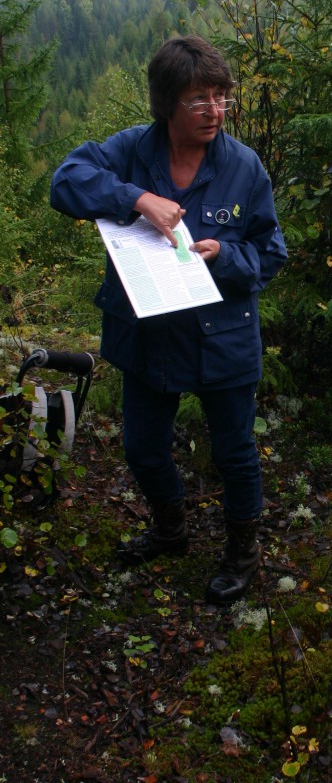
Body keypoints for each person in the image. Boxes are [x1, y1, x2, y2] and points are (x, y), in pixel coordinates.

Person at [50, 35, 287, 605]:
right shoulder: (132, 151)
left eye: (221, 96)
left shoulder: (242, 167)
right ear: (166, 103)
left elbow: (272, 251)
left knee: (234, 452)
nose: (214, 111)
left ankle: (241, 550)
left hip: (222, 338)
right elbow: (65, 182)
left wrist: (225, 258)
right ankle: (169, 528)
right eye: (198, 99)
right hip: (147, 336)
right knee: (143, 448)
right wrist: (137, 198)